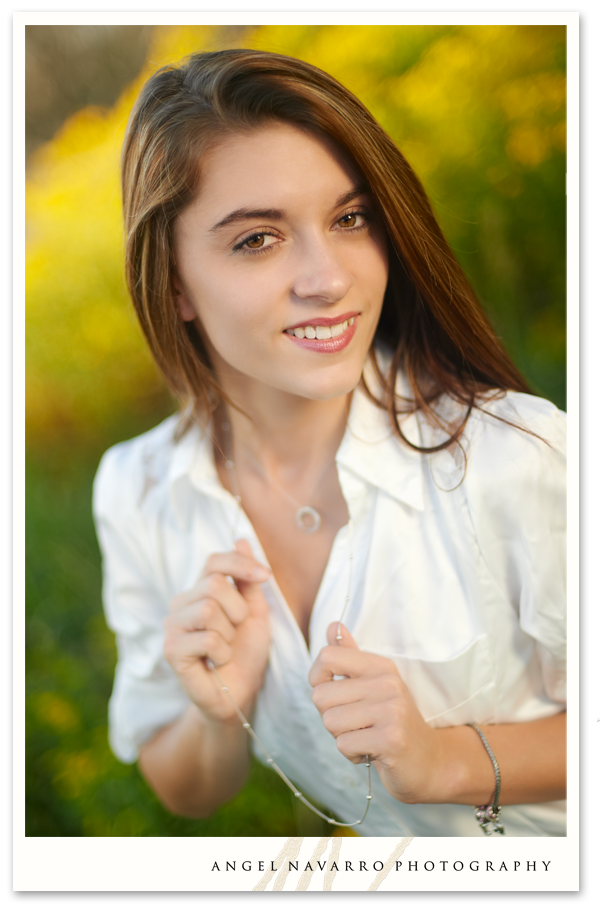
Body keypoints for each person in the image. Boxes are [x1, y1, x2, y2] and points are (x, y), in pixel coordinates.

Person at [93, 49, 566, 837]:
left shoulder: (518, 455)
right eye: (257, 241)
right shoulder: (138, 489)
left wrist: (445, 761)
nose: (329, 278)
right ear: (172, 282)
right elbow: (184, 787)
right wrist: (219, 710)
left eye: (350, 219)